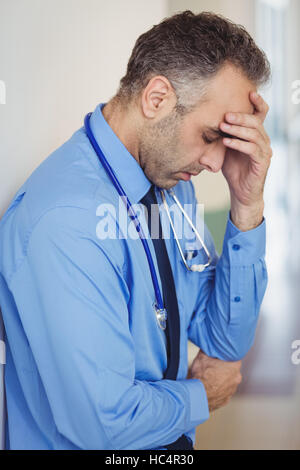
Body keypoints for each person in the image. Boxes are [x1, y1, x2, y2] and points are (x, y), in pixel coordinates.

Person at [0, 11, 272, 450]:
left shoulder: (170, 183)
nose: (216, 164)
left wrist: (247, 206)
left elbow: (223, 337)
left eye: (227, 140)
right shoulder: (66, 224)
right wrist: (200, 395)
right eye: (209, 136)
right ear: (157, 98)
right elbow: (103, 426)